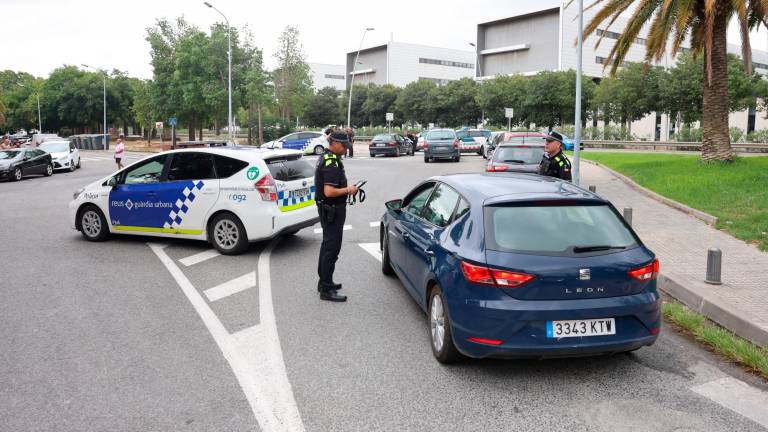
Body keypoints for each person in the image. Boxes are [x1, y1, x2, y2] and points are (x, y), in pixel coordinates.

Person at [314, 132, 359, 302]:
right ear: (334, 143)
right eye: (344, 145)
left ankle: (324, 282)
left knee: (327, 246)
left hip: (328, 209)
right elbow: (329, 191)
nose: (346, 148)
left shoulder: (326, 157)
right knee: (331, 249)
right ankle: (326, 289)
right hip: (332, 210)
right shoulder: (332, 162)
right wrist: (349, 190)